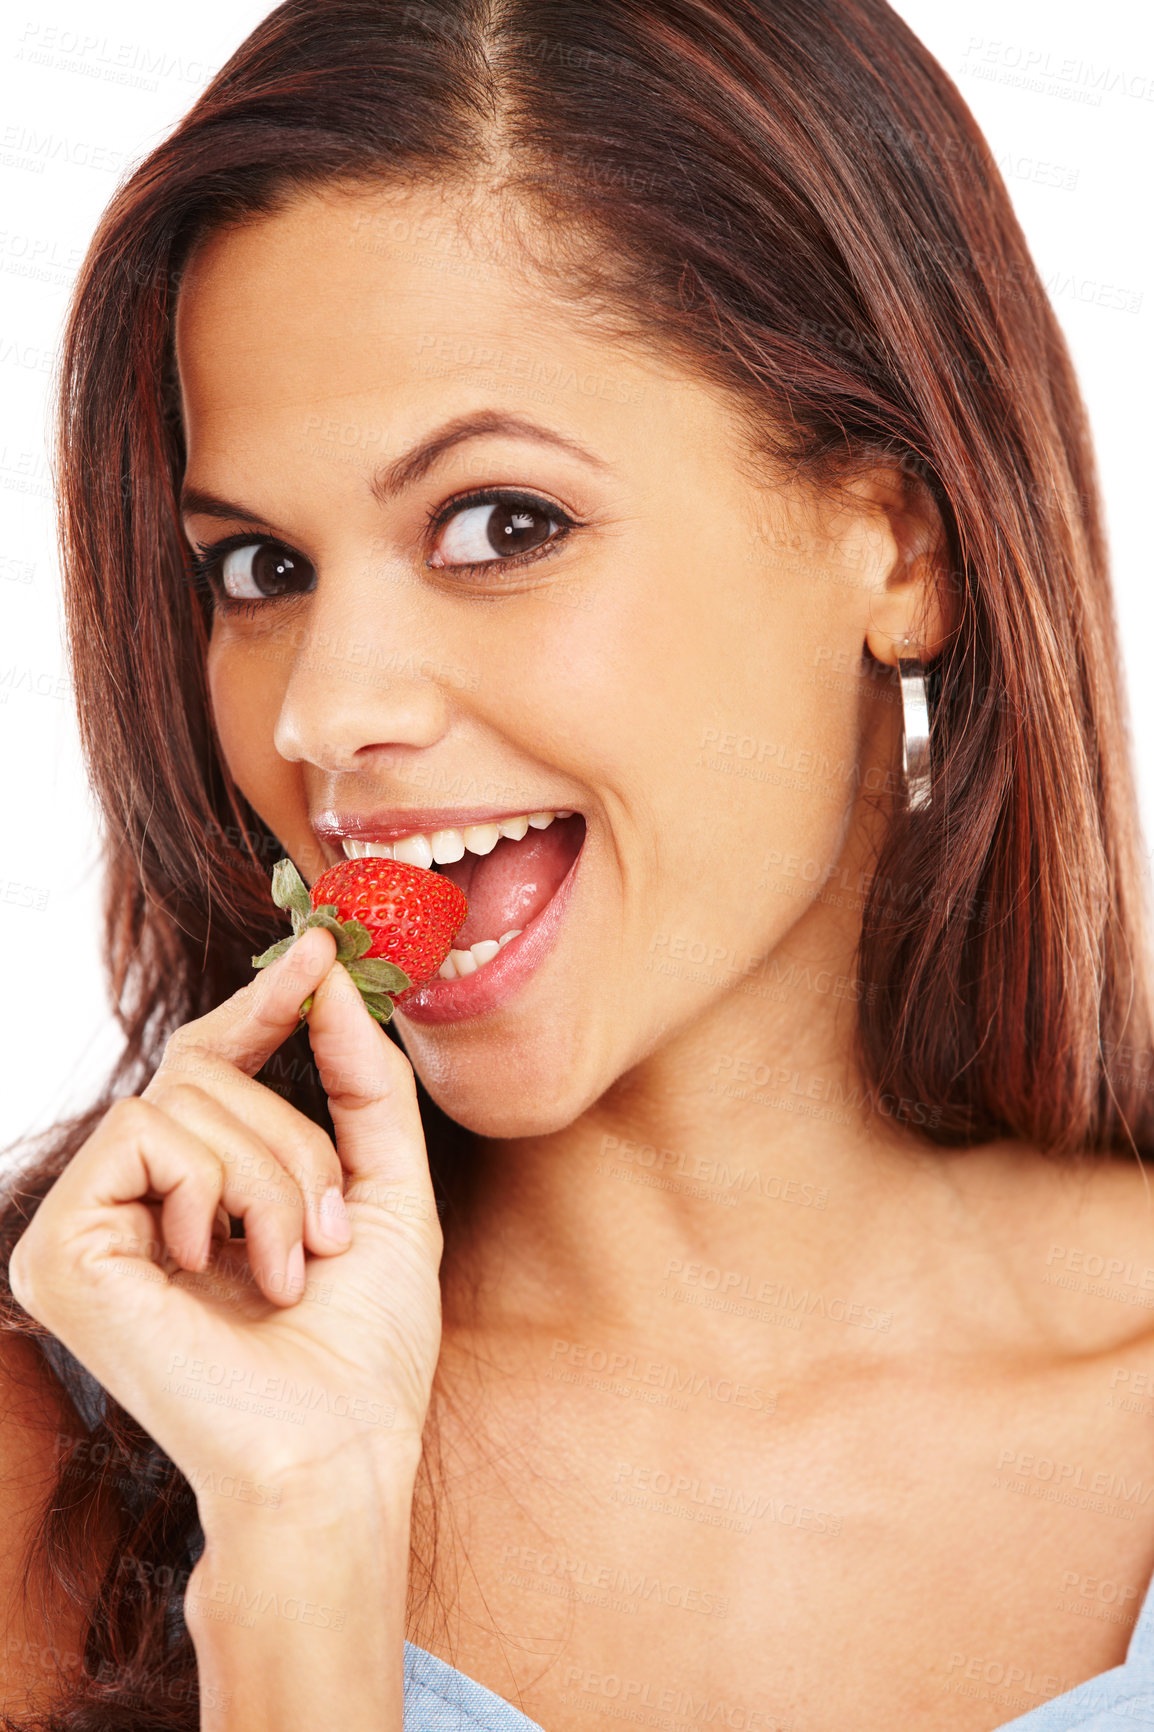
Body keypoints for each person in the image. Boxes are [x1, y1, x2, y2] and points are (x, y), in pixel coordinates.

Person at [1, 1, 1152, 1728]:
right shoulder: (73, 1458)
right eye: (256, 568)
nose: (322, 715)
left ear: (898, 539)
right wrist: (301, 1559)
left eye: (499, 525)